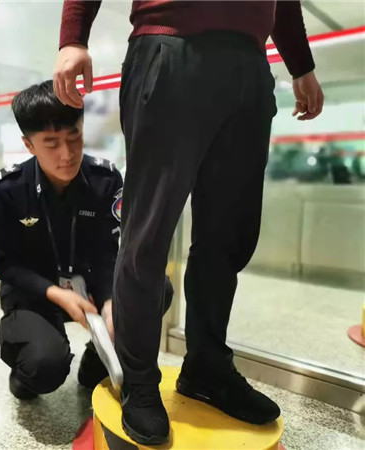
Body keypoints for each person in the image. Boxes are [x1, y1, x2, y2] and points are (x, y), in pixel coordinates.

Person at [54, 0, 324, 445]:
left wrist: (301, 66)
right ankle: (138, 379)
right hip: (170, 46)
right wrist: (73, 37)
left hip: (250, 63)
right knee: (148, 233)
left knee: (229, 234)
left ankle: (207, 367)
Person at [0, 81, 174, 399]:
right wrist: (56, 294)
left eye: (74, 137)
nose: (67, 154)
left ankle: (95, 364)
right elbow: (6, 265)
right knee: (43, 366)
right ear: (29, 145)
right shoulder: (9, 189)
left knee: (156, 288)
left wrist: (111, 301)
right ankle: (24, 376)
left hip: (91, 284)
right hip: (36, 291)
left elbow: (109, 251)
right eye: (51, 144)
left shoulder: (105, 179)